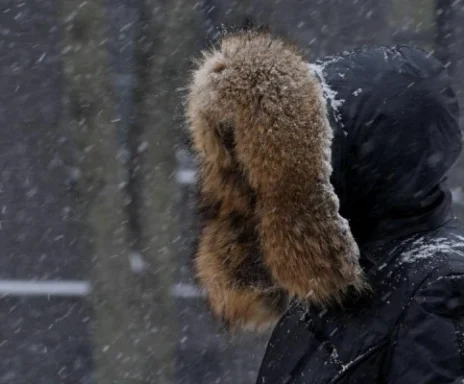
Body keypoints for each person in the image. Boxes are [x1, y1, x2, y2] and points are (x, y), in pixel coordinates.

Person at [186, 30, 464, 383]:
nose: (279, 175)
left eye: (300, 151)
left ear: (364, 160)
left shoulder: (441, 288)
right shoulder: (330, 292)